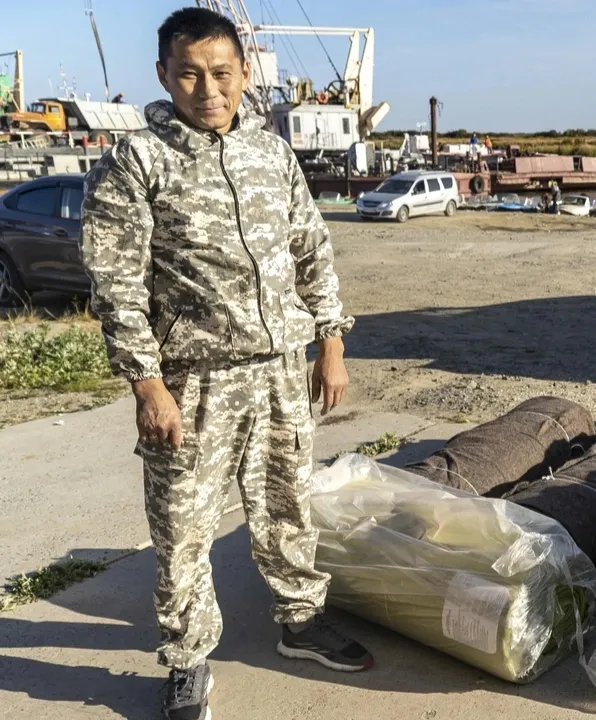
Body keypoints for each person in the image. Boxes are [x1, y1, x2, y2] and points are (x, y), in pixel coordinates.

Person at [81, 8, 372, 720]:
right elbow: (115, 285)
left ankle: (300, 622)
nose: (206, 89)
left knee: (287, 504)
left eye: (220, 73)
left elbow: (311, 249)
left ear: (245, 73)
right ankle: (186, 661)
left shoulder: (271, 154)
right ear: (163, 76)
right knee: (182, 524)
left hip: (280, 367)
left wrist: (329, 342)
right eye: (189, 74)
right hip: (192, 378)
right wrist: (148, 385)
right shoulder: (139, 162)